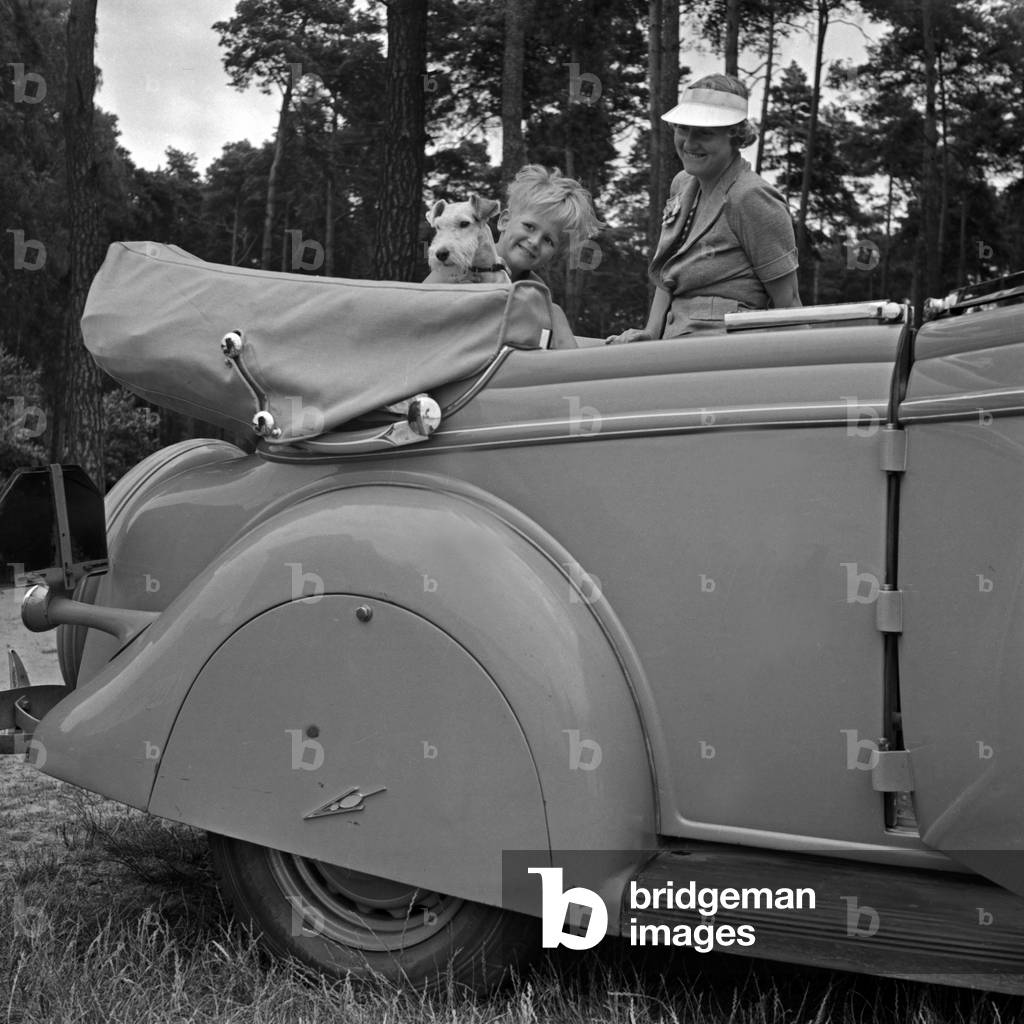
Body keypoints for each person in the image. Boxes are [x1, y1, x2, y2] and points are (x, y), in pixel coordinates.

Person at [607, 74, 799, 345]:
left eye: (705, 132)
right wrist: (650, 332)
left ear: (735, 135)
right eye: (683, 128)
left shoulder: (751, 197)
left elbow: (788, 301)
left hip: (727, 353)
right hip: (672, 344)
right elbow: (668, 271)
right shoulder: (683, 184)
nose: (688, 142)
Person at [496, 165, 602, 349]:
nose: (535, 241)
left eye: (548, 240)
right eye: (529, 226)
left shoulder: (543, 307)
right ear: (504, 221)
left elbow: (572, 365)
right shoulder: (459, 271)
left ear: (553, 254)